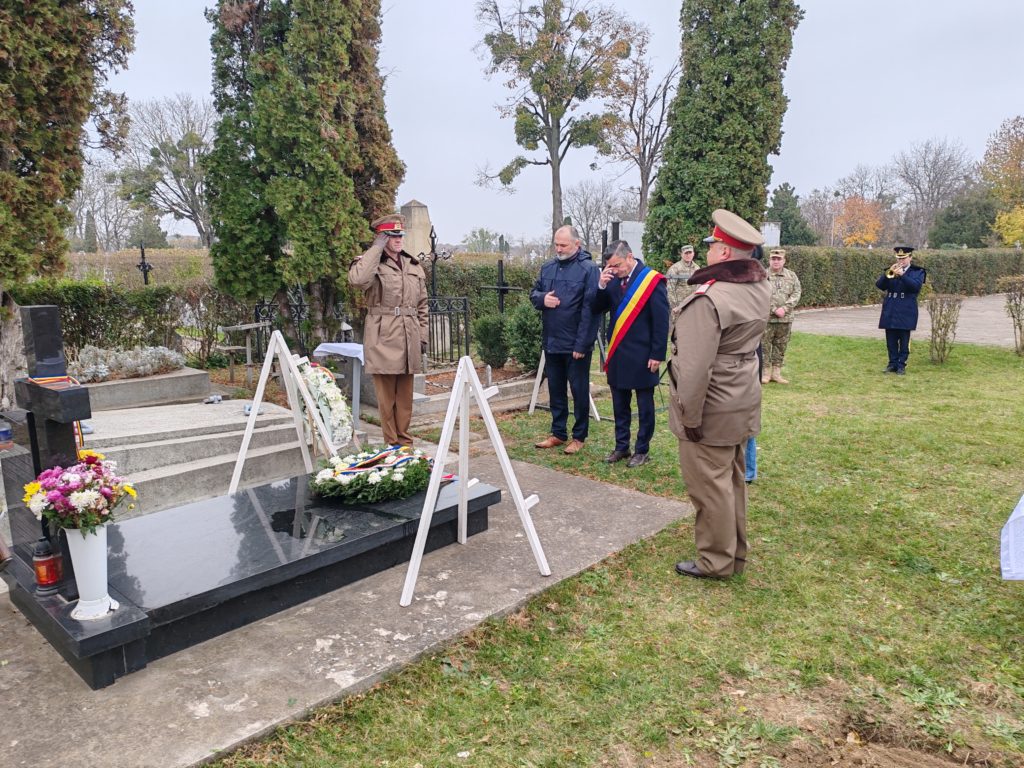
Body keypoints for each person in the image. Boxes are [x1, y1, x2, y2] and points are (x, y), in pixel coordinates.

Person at [668, 209, 770, 579]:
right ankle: (733, 554)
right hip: (741, 396)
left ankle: (716, 561)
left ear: (724, 252)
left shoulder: (709, 299)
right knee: (731, 482)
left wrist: (689, 417)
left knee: (710, 487)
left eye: (712, 246)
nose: (707, 251)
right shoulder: (759, 287)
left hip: (712, 405)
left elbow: (694, 370)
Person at [348, 213, 429, 446]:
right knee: (386, 398)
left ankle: (405, 444)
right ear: (382, 237)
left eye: (400, 235)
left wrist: (423, 336)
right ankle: (392, 444)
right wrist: (375, 249)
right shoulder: (370, 263)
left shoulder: (413, 266)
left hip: (408, 336)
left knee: (404, 398)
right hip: (383, 337)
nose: (398, 239)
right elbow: (357, 280)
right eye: (392, 235)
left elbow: (423, 305)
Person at [592, 239, 669, 468]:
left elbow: (661, 321)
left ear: (629, 256)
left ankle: (642, 450)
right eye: (610, 267)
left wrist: (657, 353)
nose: (614, 270)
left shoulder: (651, 281)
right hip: (618, 352)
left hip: (644, 354)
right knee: (619, 404)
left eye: (617, 265)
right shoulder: (612, 280)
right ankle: (621, 446)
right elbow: (596, 308)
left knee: (645, 407)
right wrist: (601, 286)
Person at [530, 225, 600, 455]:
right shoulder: (548, 267)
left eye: (563, 245)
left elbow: (591, 310)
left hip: (575, 343)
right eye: (556, 245)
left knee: (579, 390)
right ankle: (558, 432)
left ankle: (579, 436)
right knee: (556, 389)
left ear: (577, 244)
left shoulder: (589, 269)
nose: (558, 249)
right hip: (553, 340)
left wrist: (583, 344)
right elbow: (534, 294)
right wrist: (543, 299)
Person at [876, 245, 926, 375]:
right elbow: (880, 285)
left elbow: (915, 287)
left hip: (906, 309)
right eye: (899, 258)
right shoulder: (891, 270)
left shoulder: (918, 272)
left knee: (904, 340)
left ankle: (901, 365)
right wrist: (887, 274)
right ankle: (892, 364)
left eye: (903, 258)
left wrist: (902, 275)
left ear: (910, 258)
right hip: (891, 308)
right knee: (891, 340)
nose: (901, 261)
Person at [761, 248, 802, 384]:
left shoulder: (791, 276)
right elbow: (759, 294)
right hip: (767, 318)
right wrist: (774, 309)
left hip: (785, 318)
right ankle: (765, 374)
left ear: (784, 261)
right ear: (769, 260)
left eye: (779, 259)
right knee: (764, 346)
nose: (776, 261)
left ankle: (776, 374)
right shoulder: (762, 275)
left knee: (781, 346)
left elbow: (797, 293)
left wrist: (785, 308)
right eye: (773, 258)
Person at [665, 244, 700, 309]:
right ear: (681, 254)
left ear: (693, 254)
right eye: (686, 253)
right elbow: (670, 290)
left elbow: (698, 287)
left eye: (690, 253)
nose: (688, 255)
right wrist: (675, 307)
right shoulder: (675, 268)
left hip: (693, 305)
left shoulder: (697, 268)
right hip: (679, 306)